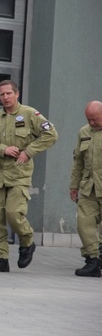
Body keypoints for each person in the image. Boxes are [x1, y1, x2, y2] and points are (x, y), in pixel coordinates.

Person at [0, 80, 58, 272]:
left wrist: (28, 152)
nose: (5, 97)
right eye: (1, 94)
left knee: (13, 213)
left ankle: (27, 242)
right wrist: (3, 149)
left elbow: (51, 134)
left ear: (17, 94)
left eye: (8, 94)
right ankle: (1, 258)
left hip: (19, 175)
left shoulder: (30, 114)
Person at [69, 100, 102, 277]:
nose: (91, 123)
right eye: (88, 119)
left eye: (95, 119)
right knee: (84, 223)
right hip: (89, 188)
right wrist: (74, 185)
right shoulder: (84, 132)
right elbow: (78, 162)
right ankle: (92, 261)